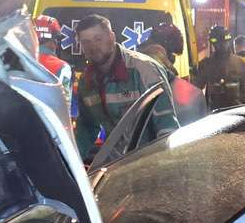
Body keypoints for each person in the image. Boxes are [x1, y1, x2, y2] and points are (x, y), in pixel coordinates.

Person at [74, 13, 175, 160]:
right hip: (118, 167)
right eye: (86, 42)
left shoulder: (143, 70)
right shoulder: (87, 81)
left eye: (98, 39)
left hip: (151, 163)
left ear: (112, 37)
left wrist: (167, 166)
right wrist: (70, 165)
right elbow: (87, 128)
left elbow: (167, 126)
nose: (93, 47)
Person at [193, 25, 245, 109]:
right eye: (218, 43)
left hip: (234, 114)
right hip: (217, 115)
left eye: (223, 42)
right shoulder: (206, 65)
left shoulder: (241, 63)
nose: (221, 45)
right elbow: (194, 91)